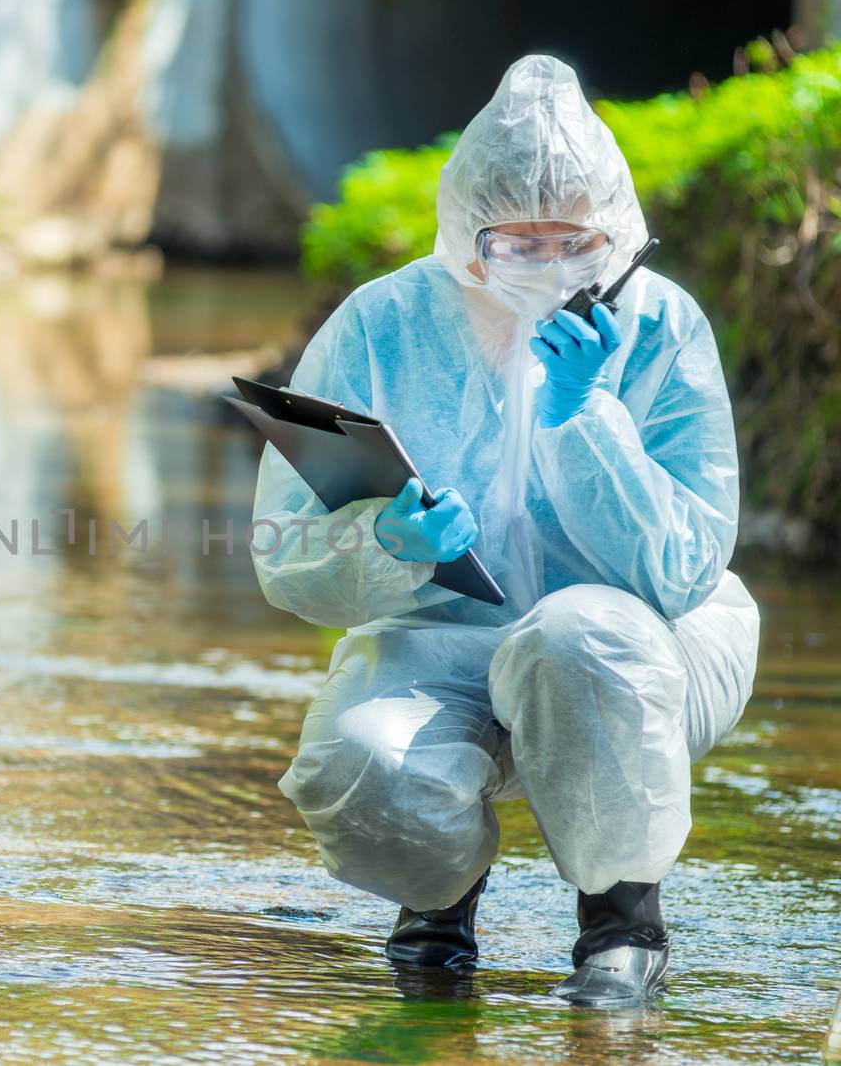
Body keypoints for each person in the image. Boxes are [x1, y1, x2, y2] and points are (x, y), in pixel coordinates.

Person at [250, 54, 760, 1007]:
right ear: (465, 237)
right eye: (517, 245)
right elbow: (284, 556)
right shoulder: (383, 326)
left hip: (646, 643)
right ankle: (438, 905)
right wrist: (388, 544)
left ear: (618, 236)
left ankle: (621, 917)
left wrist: (590, 415)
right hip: (440, 633)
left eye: (574, 244)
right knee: (362, 760)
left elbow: (687, 568)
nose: (547, 268)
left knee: (577, 636)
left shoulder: (662, 328)